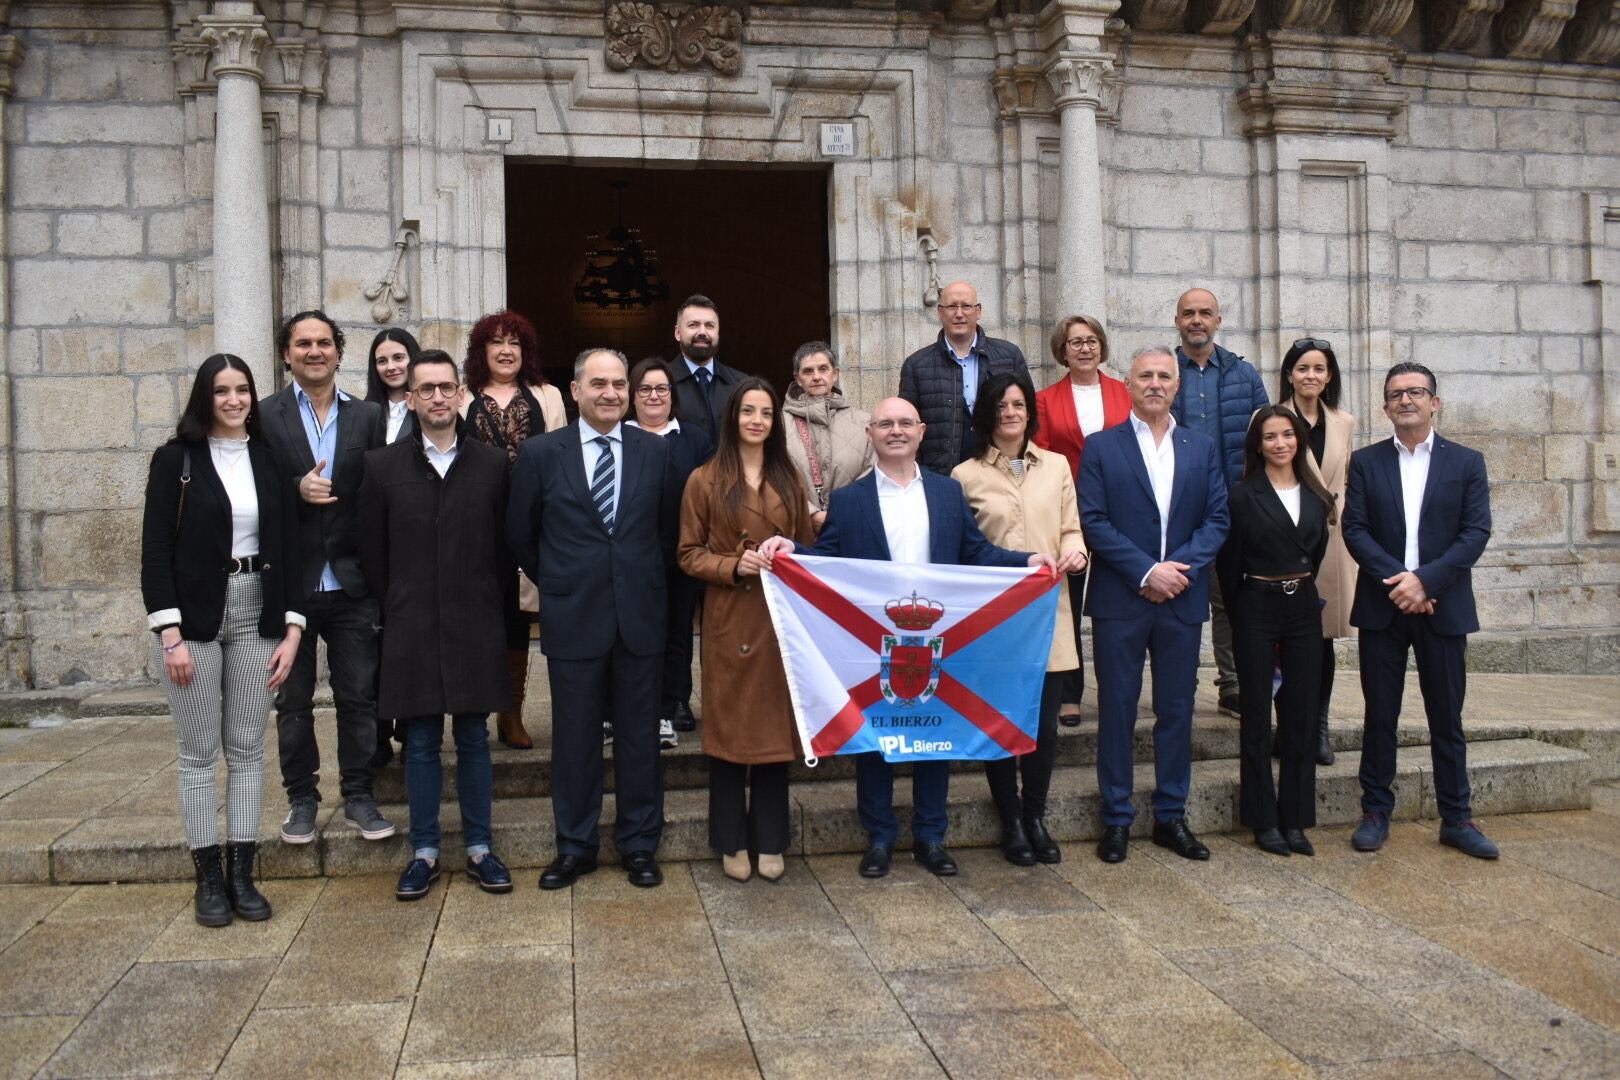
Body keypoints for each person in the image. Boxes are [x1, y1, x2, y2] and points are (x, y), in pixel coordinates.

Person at [757, 398, 1051, 879]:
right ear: (870, 434)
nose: (896, 431)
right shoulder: (849, 501)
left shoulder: (946, 493)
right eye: (885, 424)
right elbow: (826, 562)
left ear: (921, 432)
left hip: (938, 640)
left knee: (935, 736)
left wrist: (1026, 563)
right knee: (876, 740)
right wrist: (793, 551)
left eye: (905, 423)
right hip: (872, 646)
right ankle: (879, 838)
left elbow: (975, 552)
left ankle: (932, 836)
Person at [507, 348, 681, 890]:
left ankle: (638, 844)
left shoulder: (655, 453)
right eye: (598, 383)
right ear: (576, 390)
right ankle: (575, 846)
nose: (610, 393)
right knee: (576, 739)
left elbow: (666, 531)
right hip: (572, 615)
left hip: (640, 618)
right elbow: (520, 534)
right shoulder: (540, 453)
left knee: (638, 738)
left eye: (618, 385)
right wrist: (562, 581)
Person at [141, 354, 304, 927]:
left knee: (246, 749)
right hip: (196, 620)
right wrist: (170, 634)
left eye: (242, 390)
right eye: (221, 391)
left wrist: (292, 627)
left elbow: (289, 546)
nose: (233, 400)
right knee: (197, 754)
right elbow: (156, 549)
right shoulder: (175, 460)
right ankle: (207, 878)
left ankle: (242, 874)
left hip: (258, 613)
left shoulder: (267, 457)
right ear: (203, 398)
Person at [360, 349, 515, 901]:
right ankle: (424, 851)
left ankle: (480, 848)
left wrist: (482, 600)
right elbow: (372, 553)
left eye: (447, 387)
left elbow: (504, 551)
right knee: (421, 741)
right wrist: (401, 601)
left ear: (461, 394)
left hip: (475, 620)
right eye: (426, 390)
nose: (438, 398)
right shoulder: (382, 467)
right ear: (409, 398)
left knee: (474, 737)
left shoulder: (493, 467)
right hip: (413, 623)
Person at [1079, 346, 1229, 865]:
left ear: (1177, 386)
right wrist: (1146, 570)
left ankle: (1171, 815)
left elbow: (1217, 520)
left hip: (1180, 599)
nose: (1156, 383)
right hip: (1123, 597)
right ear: (1127, 383)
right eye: (1146, 375)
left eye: (1165, 375)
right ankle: (1116, 818)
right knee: (1117, 709)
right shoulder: (1102, 447)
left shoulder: (1201, 446)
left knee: (1175, 710)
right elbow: (1093, 520)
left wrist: (1174, 572)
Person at [1342, 362, 1497, 859]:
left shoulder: (1467, 462)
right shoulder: (1366, 462)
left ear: (1435, 402)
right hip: (1385, 606)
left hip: (1442, 606)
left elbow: (1475, 533)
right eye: (1395, 394)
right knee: (1380, 715)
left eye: (1416, 392)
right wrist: (1402, 581)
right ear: (1385, 406)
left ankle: (1457, 818)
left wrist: (1425, 581)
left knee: (1446, 717)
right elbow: (1355, 529)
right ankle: (1375, 812)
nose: (1405, 400)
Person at [259, 310, 393, 845]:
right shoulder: (264, 417)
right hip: (290, 584)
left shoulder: (366, 418)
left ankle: (359, 793)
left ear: (339, 352)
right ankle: (302, 799)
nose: (314, 351)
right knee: (291, 701)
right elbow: (250, 491)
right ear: (286, 354)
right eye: (303, 344)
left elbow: (377, 494)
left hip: (352, 584)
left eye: (324, 343)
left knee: (358, 695)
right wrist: (294, 488)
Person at [678, 378, 815, 882]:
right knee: (732, 730)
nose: (757, 420)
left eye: (766, 412)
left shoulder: (790, 476)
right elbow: (688, 554)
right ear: (732, 417)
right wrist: (735, 565)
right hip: (730, 616)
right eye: (748, 411)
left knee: (776, 728)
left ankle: (771, 838)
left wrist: (791, 551)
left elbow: (807, 543)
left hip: (780, 618)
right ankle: (731, 839)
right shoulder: (704, 479)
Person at [952, 373, 1087, 865]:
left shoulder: (1056, 467)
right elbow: (965, 551)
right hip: (993, 624)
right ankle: (1009, 820)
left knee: (1042, 729)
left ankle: (1035, 815)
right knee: (997, 726)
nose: (1010, 412)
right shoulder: (965, 476)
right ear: (986, 415)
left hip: (1049, 614)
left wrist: (1074, 553)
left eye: (1018, 404)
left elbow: (1072, 529)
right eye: (1001, 406)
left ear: (1030, 411)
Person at [1216, 407, 1332, 858]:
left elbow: (1315, 554)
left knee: (1300, 715)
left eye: (1288, 434)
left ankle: (1296, 818)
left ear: (1298, 440)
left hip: (1302, 608)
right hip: (1256, 607)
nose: (1280, 443)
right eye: (1270, 437)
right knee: (1257, 718)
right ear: (1258, 445)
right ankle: (1263, 819)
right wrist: (1248, 606)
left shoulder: (1316, 494)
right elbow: (1228, 567)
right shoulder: (1242, 496)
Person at [460, 309, 567, 751]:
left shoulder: (548, 395)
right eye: (496, 342)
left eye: (515, 343)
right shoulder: (462, 395)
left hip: (530, 525)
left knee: (518, 621)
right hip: (474, 526)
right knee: (477, 620)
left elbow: (562, 460)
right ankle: (473, 715)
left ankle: (512, 714)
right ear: (482, 350)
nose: (506, 351)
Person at [1169, 288, 1268, 716]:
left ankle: (1231, 684)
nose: (1196, 320)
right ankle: (1178, 681)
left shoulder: (1244, 376)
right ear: (1177, 320)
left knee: (1230, 598)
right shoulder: (1163, 372)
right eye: (1188, 313)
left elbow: (1267, 435)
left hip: (1234, 507)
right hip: (1176, 508)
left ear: (1218, 320)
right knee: (1178, 595)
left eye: (1204, 313)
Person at [1032, 315, 1131, 728]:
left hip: (1119, 512)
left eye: (1091, 341)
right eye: (1075, 342)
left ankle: (1119, 690)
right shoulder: (1045, 399)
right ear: (1063, 351)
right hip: (1066, 514)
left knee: (1118, 603)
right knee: (1066, 604)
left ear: (1102, 347)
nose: (1085, 348)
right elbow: (1042, 457)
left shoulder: (1125, 393)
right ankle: (1069, 693)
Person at [1276, 337, 1356, 766]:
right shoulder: (1270, 417)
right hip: (1286, 538)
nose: (1311, 376)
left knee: (1321, 640)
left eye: (1319, 369)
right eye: (1303, 368)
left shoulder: (1343, 421)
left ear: (1329, 377)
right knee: (1282, 639)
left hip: (1331, 540)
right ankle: (1287, 725)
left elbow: (1345, 476)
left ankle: (1317, 726)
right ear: (1290, 373)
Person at [628, 356, 713, 746]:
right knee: (633, 631)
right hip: (631, 555)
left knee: (677, 630)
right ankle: (631, 703)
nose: (653, 396)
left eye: (661, 388)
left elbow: (710, 491)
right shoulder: (619, 433)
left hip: (682, 552)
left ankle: (676, 700)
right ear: (633, 395)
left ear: (672, 394)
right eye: (644, 389)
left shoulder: (693, 438)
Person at [899, 281, 1030, 475]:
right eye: (952, 306)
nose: (959, 314)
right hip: (942, 477)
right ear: (940, 312)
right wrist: (923, 477)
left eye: (966, 306)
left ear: (978, 311)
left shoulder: (1009, 356)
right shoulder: (917, 365)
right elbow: (906, 426)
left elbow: (1031, 414)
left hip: (1002, 473)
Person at [782, 341, 874, 529]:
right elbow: (774, 474)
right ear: (798, 378)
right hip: (797, 529)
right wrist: (810, 513)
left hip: (852, 525)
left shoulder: (865, 422)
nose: (816, 377)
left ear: (835, 374)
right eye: (808, 371)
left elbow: (875, 472)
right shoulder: (779, 424)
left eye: (823, 369)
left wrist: (842, 512)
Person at [670, 294, 744, 445]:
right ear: (678, 333)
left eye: (709, 325)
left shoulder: (741, 384)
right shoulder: (660, 383)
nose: (702, 332)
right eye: (693, 325)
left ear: (717, 333)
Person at [364, 327, 421, 445]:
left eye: (398, 358)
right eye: (382, 361)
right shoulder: (363, 413)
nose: (390, 367)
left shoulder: (428, 410)